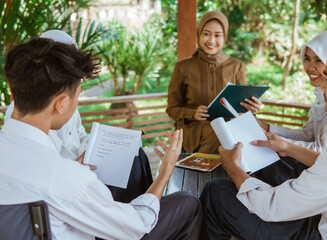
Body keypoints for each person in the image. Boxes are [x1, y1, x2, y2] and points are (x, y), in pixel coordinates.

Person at [0, 37, 202, 239]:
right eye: (77, 96)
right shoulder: (67, 179)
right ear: (60, 104)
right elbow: (136, 226)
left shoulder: (60, 173)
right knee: (187, 202)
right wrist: (164, 173)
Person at [200, 33, 327, 240]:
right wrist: (288, 147)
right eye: (307, 58)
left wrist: (234, 169)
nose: (321, 85)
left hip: (320, 231)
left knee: (216, 194)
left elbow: (272, 207)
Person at [4, 30, 153, 203]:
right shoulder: (30, 120)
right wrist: (164, 173)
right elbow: (52, 177)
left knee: (133, 157)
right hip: (69, 183)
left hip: (77, 170)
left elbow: (80, 136)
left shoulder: (54, 107)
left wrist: (105, 144)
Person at [242, 31, 327, 186]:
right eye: (307, 59)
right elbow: (307, 135)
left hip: (323, 179)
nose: (310, 67)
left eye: (318, 60)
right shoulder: (321, 95)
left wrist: (279, 143)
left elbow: (319, 150)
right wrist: (267, 128)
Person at [166, 11, 247, 154]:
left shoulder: (236, 66)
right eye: (206, 34)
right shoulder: (183, 67)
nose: (211, 41)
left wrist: (251, 107)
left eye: (217, 35)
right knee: (218, 134)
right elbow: (172, 108)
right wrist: (193, 113)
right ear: (199, 34)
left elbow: (242, 105)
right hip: (194, 131)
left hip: (228, 127)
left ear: (225, 37)